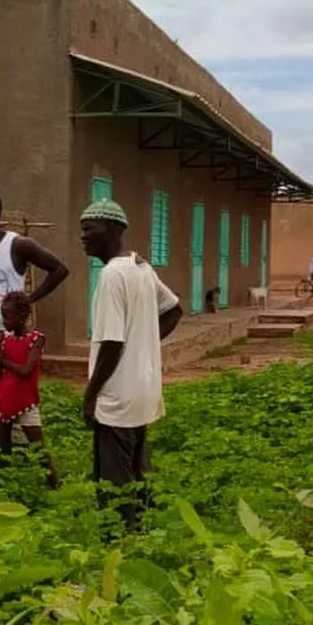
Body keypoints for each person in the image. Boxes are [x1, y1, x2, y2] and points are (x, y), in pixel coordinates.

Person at [80, 199, 182, 532]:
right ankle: (142, 529)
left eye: (88, 229)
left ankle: (122, 540)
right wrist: (145, 345)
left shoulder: (112, 275)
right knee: (138, 466)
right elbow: (173, 310)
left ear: (112, 230)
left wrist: (91, 394)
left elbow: (111, 343)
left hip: (118, 395)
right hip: (143, 388)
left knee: (115, 478)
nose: (83, 236)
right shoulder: (140, 267)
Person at [0, 190, 69, 445]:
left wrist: (30, 299)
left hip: (12, 340)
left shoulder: (18, 245)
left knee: (14, 400)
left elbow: (59, 269)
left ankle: (20, 450)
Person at [0, 291, 59, 489]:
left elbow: (26, 370)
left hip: (26, 400)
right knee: (4, 447)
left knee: (38, 447)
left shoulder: (36, 339)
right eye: (3, 316)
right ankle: (4, 487)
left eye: (8, 316)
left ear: (22, 316)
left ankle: (54, 485)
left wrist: (4, 361)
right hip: (3, 399)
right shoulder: (5, 341)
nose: (4, 321)